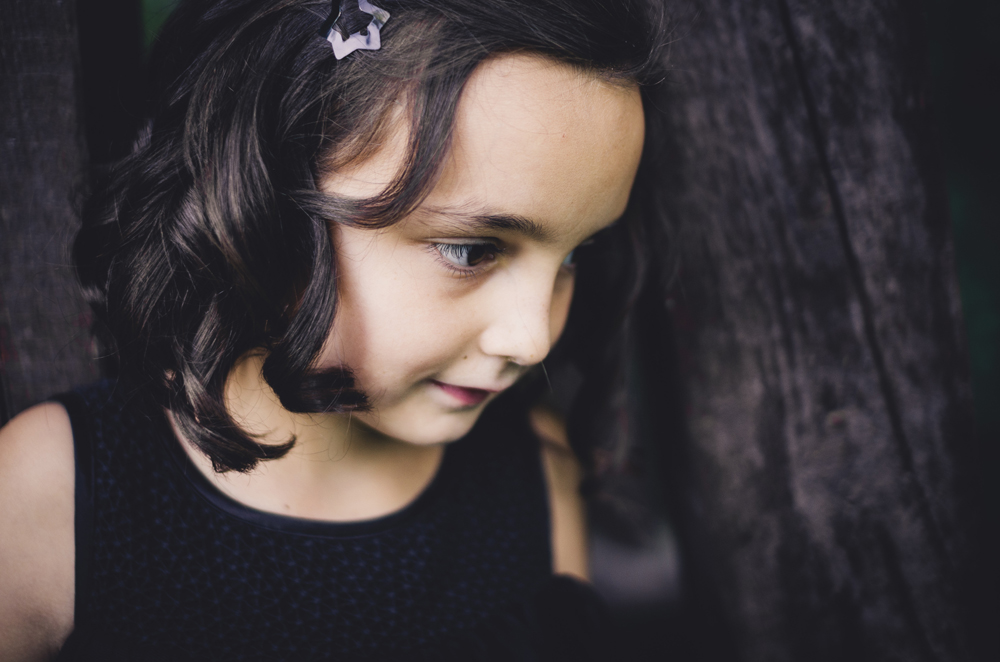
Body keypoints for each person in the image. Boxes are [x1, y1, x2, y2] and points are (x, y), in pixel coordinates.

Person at [0, 0, 665, 659]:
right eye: (470, 250)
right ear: (262, 197)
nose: (532, 340)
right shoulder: (52, 492)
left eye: (573, 256)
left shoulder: (534, 471)